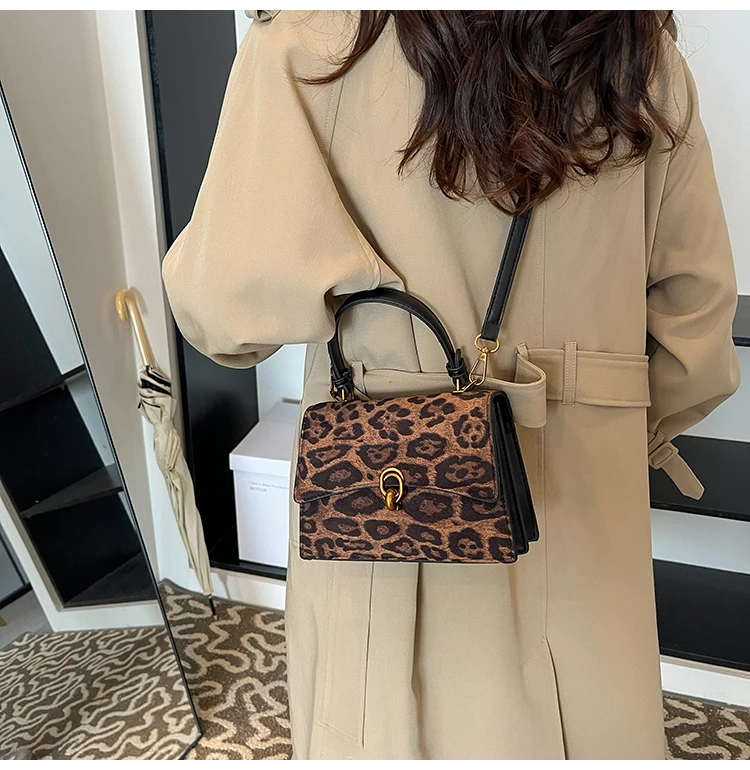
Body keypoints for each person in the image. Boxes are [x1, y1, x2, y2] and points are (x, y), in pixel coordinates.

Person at [162, 10, 740, 760]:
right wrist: (605, 423)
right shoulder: (641, 55)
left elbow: (221, 314)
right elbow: (696, 336)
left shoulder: (314, 46)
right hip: (587, 517)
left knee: (382, 723)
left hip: (389, 502)